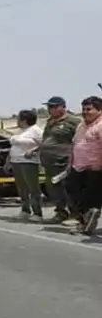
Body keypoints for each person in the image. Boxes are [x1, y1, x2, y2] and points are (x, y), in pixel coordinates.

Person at [40, 96, 82, 223]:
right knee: (53, 189)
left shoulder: (73, 121)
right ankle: (60, 212)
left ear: (63, 107)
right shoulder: (50, 122)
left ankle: (76, 215)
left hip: (64, 161)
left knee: (67, 189)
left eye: (53, 106)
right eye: (49, 107)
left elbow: (80, 140)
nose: (50, 109)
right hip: (50, 163)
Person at [65, 96, 102, 235]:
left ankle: (86, 225)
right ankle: (85, 220)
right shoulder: (81, 125)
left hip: (94, 168)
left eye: (89, 109)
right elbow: (75, 144)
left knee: (90, 199)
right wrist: (70, 164)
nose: (85, 112)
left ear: (99, 110)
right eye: (83, 109)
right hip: (77, 167)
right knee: (72, 193)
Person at [6, 109, 43, 222]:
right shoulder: (20, 131)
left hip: (28, 162)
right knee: (22, 188)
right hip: (16, 161)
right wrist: (8, 161)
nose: (17, 121)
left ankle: (37, 212)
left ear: (24, 120)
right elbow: (14, 147)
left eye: (18, 119)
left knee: (33, 188)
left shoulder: (36, 130)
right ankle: (25, 210)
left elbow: (44, 143)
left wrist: (33, 151)